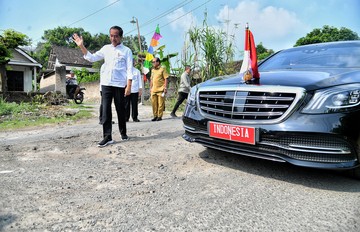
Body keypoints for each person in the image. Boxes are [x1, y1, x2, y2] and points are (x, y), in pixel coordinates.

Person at [73, 26, 133, 147]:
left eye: (116, 36)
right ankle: (107, 136)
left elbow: (130, 69)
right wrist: (81, 46)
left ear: (121, 37)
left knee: (120, 109)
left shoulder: (127, 51)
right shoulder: (106, 49)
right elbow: (92, 57)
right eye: (111, 35)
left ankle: (123, 132)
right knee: (105, 109)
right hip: (106, 83)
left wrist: (129, 86)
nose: (113, 38)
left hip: (119, 84)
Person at [150, 57, 169, 121]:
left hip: (160, 89)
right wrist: (150, 88)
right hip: (153, 90)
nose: (153, 63)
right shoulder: (152, 70)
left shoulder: (162, 69)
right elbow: (151, 80)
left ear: (158, 62)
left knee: (160, 104)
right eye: (152, 62)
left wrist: (165, 88)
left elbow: (166, 78)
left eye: (154, 62)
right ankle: (155, 116)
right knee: (154, 104)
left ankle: (159, 116)